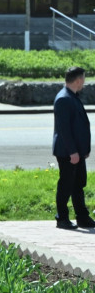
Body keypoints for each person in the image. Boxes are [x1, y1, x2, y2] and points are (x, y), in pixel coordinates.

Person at [52, 66, 92, 229]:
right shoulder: (63, 98)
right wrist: (73, 152)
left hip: (77, 151)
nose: (84, 82)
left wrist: (83, 150)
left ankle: (82, 217)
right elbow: (64, 130)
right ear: (78, 80)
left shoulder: (72, 96)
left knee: (78, 184)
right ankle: (62, 218)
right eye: (83, 78)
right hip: (68, 152)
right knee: (66, 185)